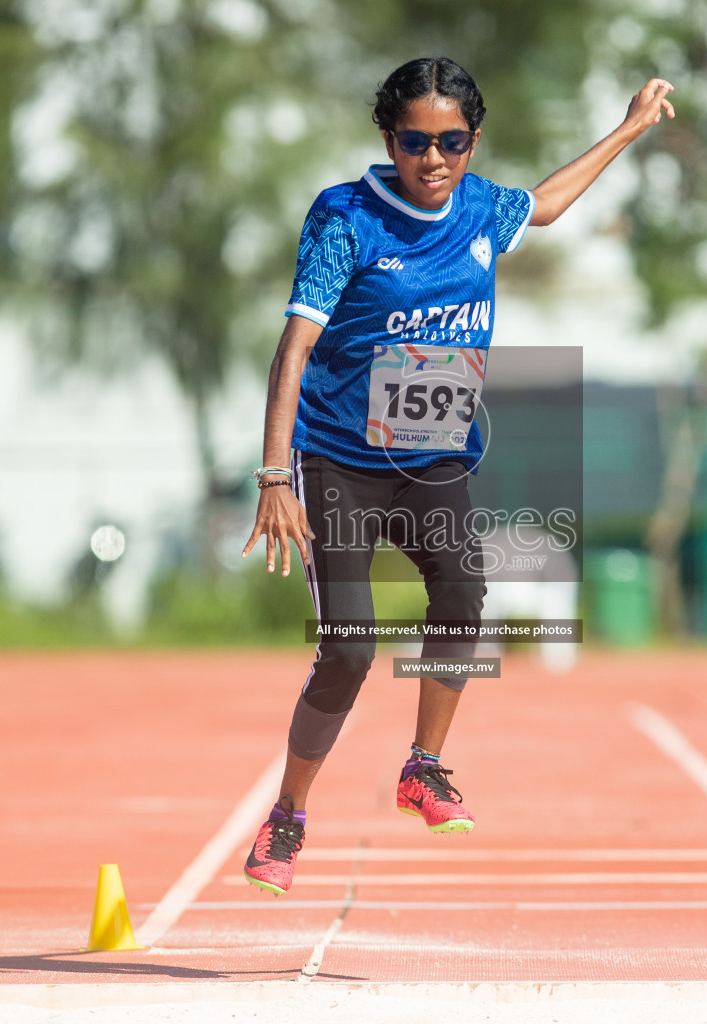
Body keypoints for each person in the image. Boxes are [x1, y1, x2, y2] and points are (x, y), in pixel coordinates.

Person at [239, 56, 674, 895]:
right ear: (387, 138)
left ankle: (423, 768)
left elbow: (542, 206)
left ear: (473, 142)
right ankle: (288, 816)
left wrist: (628, 127)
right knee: (350, 649)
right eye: (415, 141)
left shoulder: (480, 207)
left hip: (433, 454)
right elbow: (293, 345)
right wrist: (274, 475)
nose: (433, 159)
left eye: (452, 142)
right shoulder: (346, 218)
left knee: (466, 604)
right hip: (340, 459)